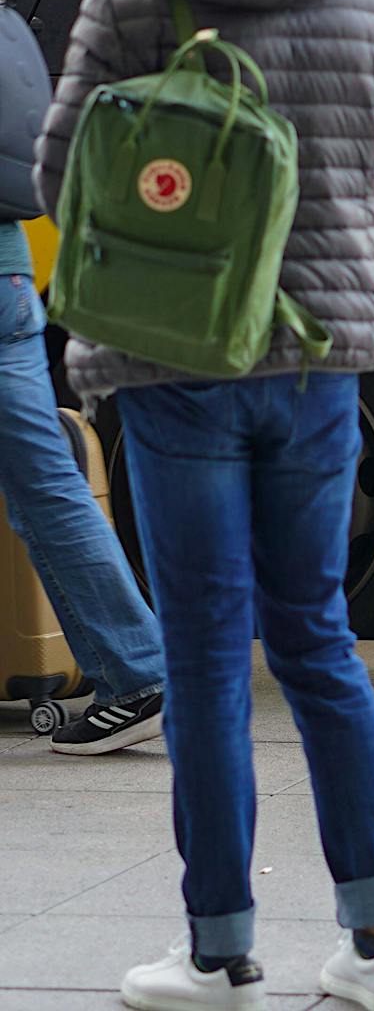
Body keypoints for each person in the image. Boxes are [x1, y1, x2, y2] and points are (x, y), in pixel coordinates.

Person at [34, 0, 374, 1008]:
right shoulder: (372, 3)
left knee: (208, 655)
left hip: (172, 367)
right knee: (316, 637)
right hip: (317, 370)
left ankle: (218, 949)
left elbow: (59, 179)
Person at [0, 245, 166, 755]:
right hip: (13, 286)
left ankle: (138, 678)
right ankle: (139, 676)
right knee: (49, 485)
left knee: (45, 485)